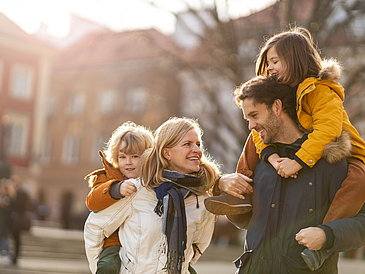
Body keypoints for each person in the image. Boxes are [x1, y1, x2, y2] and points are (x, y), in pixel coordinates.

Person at [204, 26, 365, 270]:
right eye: (268, 63)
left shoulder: (321, 91)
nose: (270, 68)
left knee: (357, 183)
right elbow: (259, 137)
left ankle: (323, 238)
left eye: (275, 61)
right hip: (256, 266)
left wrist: (328, 234)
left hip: (346, 153)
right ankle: (237, 195)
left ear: (278, 107)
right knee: (253, 145)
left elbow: (327, 130)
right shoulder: (279, 105)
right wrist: (266, 160)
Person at [229, 75, 350, 273]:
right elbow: (242, 219)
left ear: (277, 107)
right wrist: (225, 185)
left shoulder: (329, 161)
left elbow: (360, 222)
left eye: (254, 115)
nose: (250, 126)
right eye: (247, 119)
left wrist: (327, 235)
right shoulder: (259, 158)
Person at [84, 117, 220, 274]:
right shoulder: (137, 189)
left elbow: (198, 245)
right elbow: (94, 227)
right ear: (166, 153)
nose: (197, 150)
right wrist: (99, 269)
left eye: (198, 144)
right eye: (187, 144)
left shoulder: (203, 199)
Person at [84, 121, 154, 274]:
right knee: (108, 266)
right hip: (115, 241)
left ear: (148, 157)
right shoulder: (107, 176)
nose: (128, 162)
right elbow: (92, 202)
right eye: (122, 157)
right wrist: (116, 189)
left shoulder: (152, 181)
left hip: (143, 240)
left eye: (135, 156)